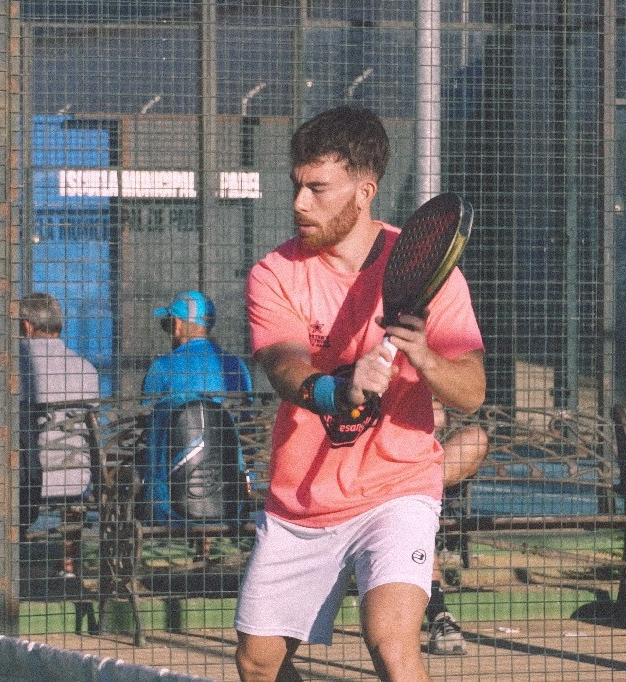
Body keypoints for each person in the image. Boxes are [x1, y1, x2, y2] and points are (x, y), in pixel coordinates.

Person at [234, 106, 486, 682]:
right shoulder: (273, 273)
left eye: (318, 188)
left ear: (364, 191)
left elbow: (471, 391)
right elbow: (283, 365)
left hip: (398, 488)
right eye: (296, 186)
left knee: (391, 642)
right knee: (258, 663)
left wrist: (425, 357)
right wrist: (338, 389)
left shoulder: (429, 269)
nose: (300, 203)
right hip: (302, 500)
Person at [140, 290, 254, 526]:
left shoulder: (163, 366)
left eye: (167, 323)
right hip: (229, 489)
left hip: (171, 498)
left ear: (178, 325)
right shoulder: (236, 367)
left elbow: (143, 425)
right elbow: (247, 425)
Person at [19, 292, 100, 579]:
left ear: (26, 326)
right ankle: (69, 565)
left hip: (24, 479)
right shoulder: (86, 369)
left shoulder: (12, 369)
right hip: (75, 477)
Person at [426, 400, 489, 655]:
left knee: (475, 438)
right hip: (370, 472)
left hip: (420, 477)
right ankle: (437, 611)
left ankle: (412, 486)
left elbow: (439, 417)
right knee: (411, 515)